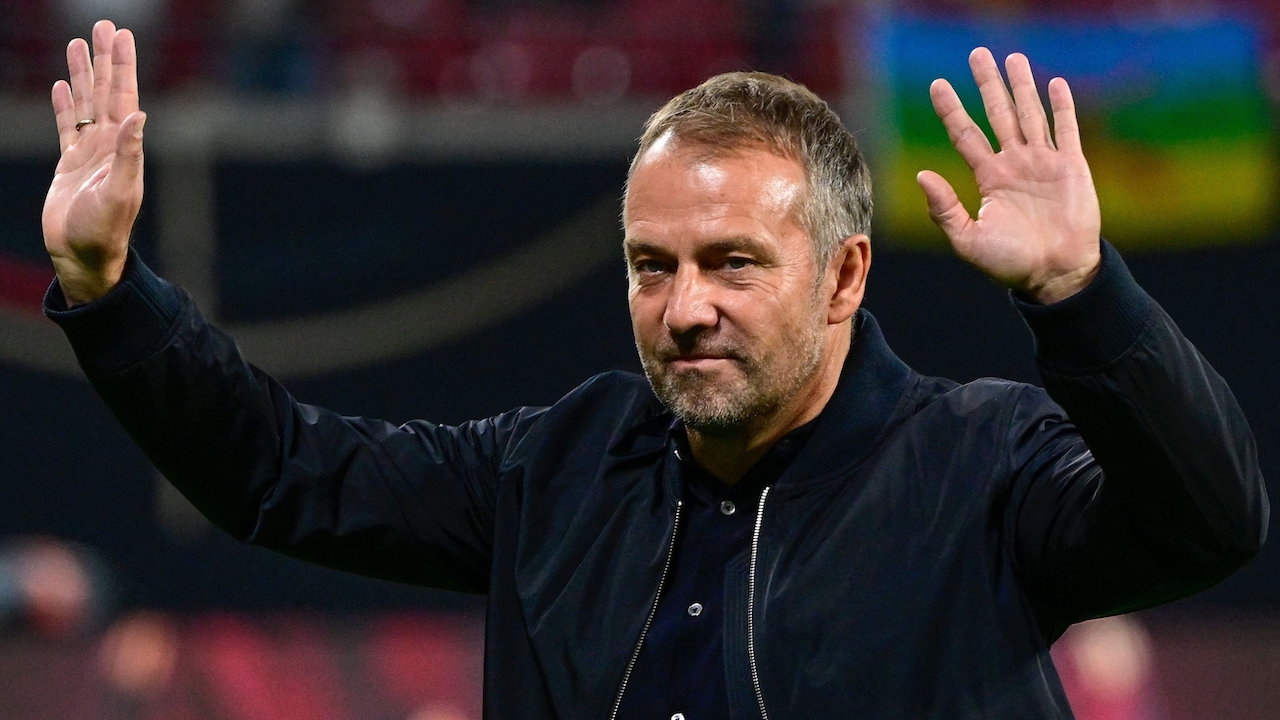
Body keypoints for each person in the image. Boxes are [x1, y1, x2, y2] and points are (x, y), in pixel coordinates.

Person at [41, 19, 1266, 720]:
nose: (684, 310)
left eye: (732, 263)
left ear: (843, 275)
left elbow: (1207, 523)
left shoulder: (981, 464)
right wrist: (107, 288)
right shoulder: (553, 467)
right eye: (650, 266)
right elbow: (278, 473)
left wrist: (1079, 294)